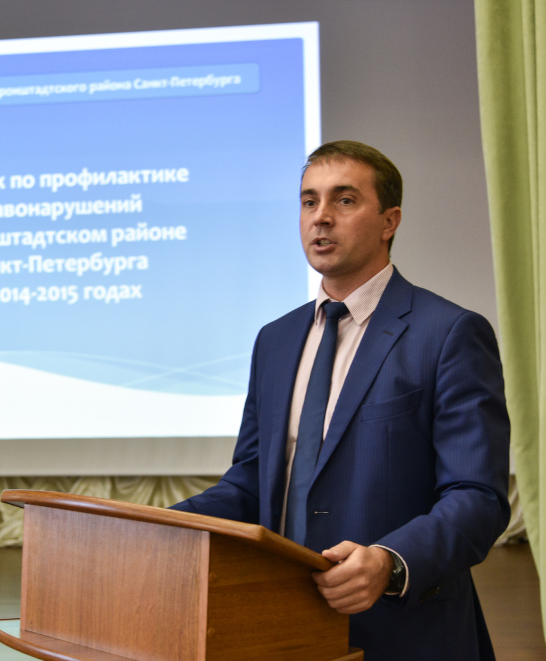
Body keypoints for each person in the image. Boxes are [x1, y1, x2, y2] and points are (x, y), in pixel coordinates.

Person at [171, 140, 510, 660]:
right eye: (309, 201)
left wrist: (390, 561)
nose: (321, 217)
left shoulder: (449, 333)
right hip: (283, 627)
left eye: (344, 200)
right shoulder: (275, 340)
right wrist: (160, 525)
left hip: (405, 632)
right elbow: (252, 481)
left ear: (389, 221)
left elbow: (477, 497)